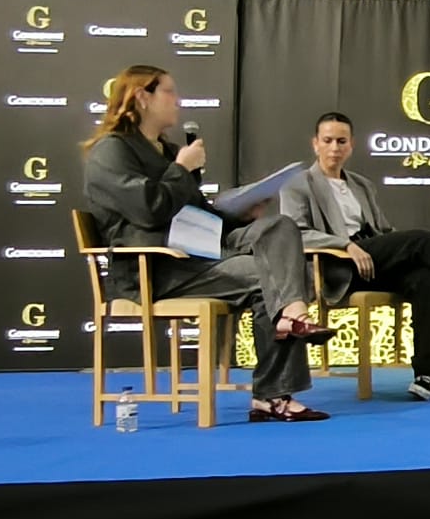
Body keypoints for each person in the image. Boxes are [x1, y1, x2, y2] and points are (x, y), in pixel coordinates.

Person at [82, 64, 336, 423]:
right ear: (142, 97)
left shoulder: (169, 151)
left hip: (199, 253)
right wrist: (181, 170)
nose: (177, 100)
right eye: (169, 92)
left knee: (279, 228)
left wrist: (243, 213)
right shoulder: (111, 151)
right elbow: (148, 210)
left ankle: (291, 316)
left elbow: (196, 213)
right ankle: (274, 393)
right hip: (157, 267)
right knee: (271, 278)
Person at [280, 111, 430, 401]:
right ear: (315, 143)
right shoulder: (297, 185)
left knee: (426, 278)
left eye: (341, 141)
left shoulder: (361, 185)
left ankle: (427, 373)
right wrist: (345, 246)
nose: (335, 147)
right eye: (328, 140)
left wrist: (397, 249)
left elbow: (383, 231)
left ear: (351, 145)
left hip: (372, 257)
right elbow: (295, 234)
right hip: (338, 265)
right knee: (423, 240)